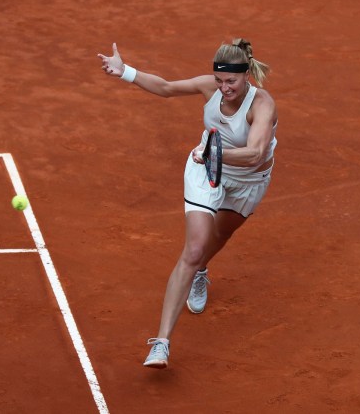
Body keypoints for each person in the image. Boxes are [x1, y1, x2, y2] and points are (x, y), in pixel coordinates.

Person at [97, 38, 278, 369]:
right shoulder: (209, 87)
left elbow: (254, 154)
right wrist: (126, 72)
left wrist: (216, 153)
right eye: (220, 80)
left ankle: (201, 270)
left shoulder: (261, 104)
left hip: (248, 180)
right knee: (193, 250)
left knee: (220, 236)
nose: (224, 88)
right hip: (205, 169)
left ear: (246, 75)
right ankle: (161, 343)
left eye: (231, 81)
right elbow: (166, 87)